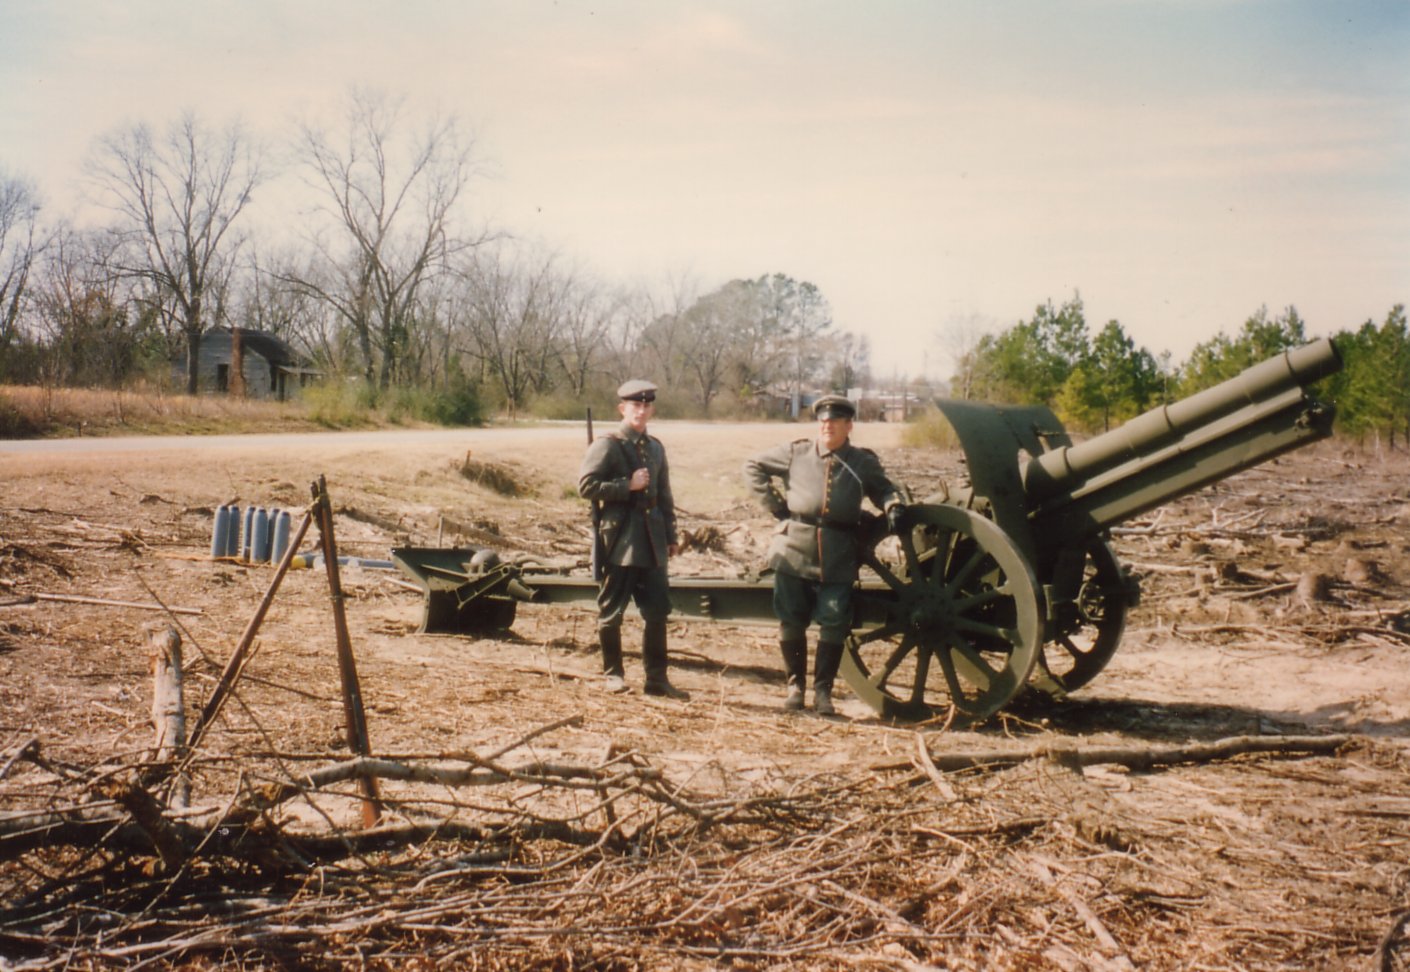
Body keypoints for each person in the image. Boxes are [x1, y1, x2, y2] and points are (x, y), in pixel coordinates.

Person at [743, 395, 907, 715]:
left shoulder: (862, 462)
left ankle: (823, 693)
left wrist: (892, 505)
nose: (827, 426)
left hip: (838, 553)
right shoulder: (797, 452)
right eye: (823, 421)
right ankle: (795, 687)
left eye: (834, 421)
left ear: (849, 426)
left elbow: (884, 489)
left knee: (833, 621)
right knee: (791, 618)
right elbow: (752, 466)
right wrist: (776, 507)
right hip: (794, 547)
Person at [578, 379, 688, 699]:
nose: (640, 411)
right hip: (621, 539)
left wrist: (670, 535)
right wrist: (627, 485)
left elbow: (664, 495)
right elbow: (586, 486)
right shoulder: (608, 444)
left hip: (652, 540)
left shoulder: (655, 447)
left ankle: (656, 680)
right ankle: (613, 675)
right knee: (611, 611)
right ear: (622, 409)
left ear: (652, 408)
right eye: (634, 406)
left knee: (657, 611)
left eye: (646, 405)